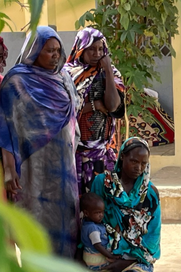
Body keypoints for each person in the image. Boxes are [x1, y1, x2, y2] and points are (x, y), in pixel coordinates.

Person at [0, 26, 80, 272]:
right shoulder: (16, 82)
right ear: (35, 50)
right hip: (33, 167)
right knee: (37, 219)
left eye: (57, 51)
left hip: (63, 165)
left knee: (64, 219)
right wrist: (9, 170)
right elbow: (6, 129)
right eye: (49, 51)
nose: (55, 56)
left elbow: (72, 121)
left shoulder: (63, 78)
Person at [71, 138, 160, 272]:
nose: (139, 168)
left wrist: (124, 262)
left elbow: (152, 238)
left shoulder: (150, 194)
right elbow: (89, 221)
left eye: (144, 163)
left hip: (134, 262)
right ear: (122, 157)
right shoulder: (102, 184)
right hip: (102, 258)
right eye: (134, 161)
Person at [64, 27, 126, 194]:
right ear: (80, 49)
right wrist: (95, 106)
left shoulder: (111, 74)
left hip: (102, 155)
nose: (96, 53)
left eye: (100, 49)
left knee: (102, 207)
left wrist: (107, 70)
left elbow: (113, 106)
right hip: (76, 154)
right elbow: (64, 112)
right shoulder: (67, 75)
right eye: (91, 49)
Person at [80, 192, 116, 271]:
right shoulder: (92, 228)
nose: (101, 215)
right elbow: (97, 245)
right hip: (96, 260)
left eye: (102, 212)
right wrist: (110, 256)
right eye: (97, 212)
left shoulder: (86, 223)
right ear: (86, 213)